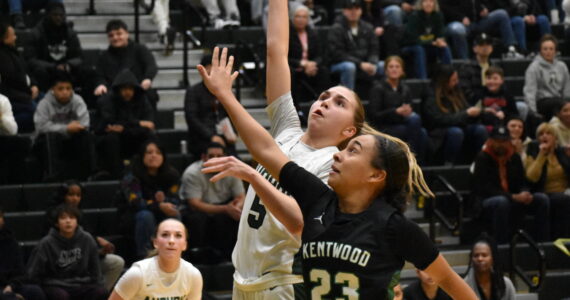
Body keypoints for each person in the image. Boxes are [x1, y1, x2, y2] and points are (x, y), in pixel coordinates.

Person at [197, 45, 478, 300]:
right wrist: (224, 95)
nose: (338, 155)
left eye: (352, 150)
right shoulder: (319, 198)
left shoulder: (393, 227)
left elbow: (448, 279)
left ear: (375, 174)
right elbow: (266, 150)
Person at [202, 0, 370, 296]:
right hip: (243, 279)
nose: (325, 102)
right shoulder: (287, 130)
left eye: (339, 103)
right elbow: (276, 51)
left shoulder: (335, 164)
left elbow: (298, 221)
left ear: (349, 130)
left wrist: (254, 177)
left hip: (284, 284)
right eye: (324, 96)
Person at [472, 125, 550, 243]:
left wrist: (525, 192)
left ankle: (541, 242)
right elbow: (485, 188)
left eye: (504, 141)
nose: (501, 144)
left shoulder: (514, 156)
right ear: (491, 141)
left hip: (513, 197)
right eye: (497, 141)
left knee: (541, 199)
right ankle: (501, 244)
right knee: (501, 202)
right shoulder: (482, 158)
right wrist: (512, 196)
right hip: (487, 200)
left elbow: (522, 180)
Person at [45, 181, 125, 292]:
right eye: (71, 195)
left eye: (78, 195)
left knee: (116, 262)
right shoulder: (53, 217)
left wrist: (100, 249)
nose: (75, 199)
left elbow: (88, 241)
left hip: (84, 262)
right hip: (64, 263)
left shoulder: (80, 215)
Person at [27, 204, 108, 300]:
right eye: (63, 218)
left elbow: (95, 269)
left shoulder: (87, 239)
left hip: (81, 284)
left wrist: (99, 284)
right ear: (57, 223)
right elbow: (34, 273)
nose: (68, 221)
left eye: (72, 217)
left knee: (101, 292)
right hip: (55, 285)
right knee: (61, 296)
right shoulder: (46, 243)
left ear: (77, 221)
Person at [109, 219, 202, 300]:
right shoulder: (137, 274)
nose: (171, 241)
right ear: (155, 242)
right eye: (165, 235)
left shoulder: (193, 275)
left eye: (178, 235)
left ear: (185, 245)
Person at [179, 142, 245, 259]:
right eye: (211, 156)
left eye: (219, 156)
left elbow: (241, 197)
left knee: (238, 216)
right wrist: (226, 209)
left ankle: (231, 257)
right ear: (204, 157)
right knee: (197, 219)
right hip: (199, 209)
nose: (215, 160)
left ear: (225, 157)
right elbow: (194, 203)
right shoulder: (192, 173)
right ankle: (195, 256)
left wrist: (236, 207)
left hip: (224, 206)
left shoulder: (233, 170)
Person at [118, 140, 181, 259]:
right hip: (134, 216)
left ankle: (174, 254)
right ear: (142, 156)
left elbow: (176, 200)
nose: (154, 155)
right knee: (146, 215)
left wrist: (167, 203)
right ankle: (146, 256)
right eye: (149, 152)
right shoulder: (132, 176)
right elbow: (135, 202)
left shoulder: (172, 175)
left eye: (158, 153)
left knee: (175, 214)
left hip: (159, 213)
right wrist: (159, 205)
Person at [33, 72, 94, 181]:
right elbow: (41, 127)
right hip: (48, 143)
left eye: (68, 88)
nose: (65, 92)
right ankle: (52, 175)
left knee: (86, 135)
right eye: (60, 89)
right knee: (50, 136)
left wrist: (68, 129)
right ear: (53, 90)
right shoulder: (44, 103)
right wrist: (66, 128)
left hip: (71, 140)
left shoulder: (78, 101)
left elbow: (84, 124)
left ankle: (90, 174)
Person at [95, 69, 156, 179]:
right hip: (115, 140)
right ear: (118, 90)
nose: (127, 92)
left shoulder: (142, 99)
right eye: (124, 88)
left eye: (130, 88)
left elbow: (150, 124)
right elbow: (109, 124)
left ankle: (149, 173)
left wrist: (125, 128)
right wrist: (138, 123)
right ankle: (115, 175)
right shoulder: (108, 101)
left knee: (150, 137)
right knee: (111, 138)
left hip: (133, 136)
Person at [423, 65, 487, 165]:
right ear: (444, 81)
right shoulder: (431, 95)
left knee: (480, 130)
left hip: (459, 126)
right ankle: (448, 164)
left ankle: (481, 162)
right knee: (456, 132)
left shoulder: (456, 90)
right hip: (438, 133)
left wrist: (477, 112)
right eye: (453, 80)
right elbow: (439, 120)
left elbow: (464, 110)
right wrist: (466, 114)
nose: (456, 82)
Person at [368, 56, 428, 162]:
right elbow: (374, 115)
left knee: (421, 130)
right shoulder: (377, 88)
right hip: (384, 125)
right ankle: (413, 159)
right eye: (391, 67)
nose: (394, 69)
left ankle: (416, 161)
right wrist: (395, 112)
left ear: (402, 71)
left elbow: (410, 106)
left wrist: (408, 111)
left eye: (397, 67)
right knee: (417, 127)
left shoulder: (405, 88)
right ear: (386, 70)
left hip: (401, 122)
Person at [94, 20, 159, 109]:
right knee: (102, 100)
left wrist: (148, 78)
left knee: (150, 96)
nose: (115, 38)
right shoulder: (103, 56)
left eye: (119, 34)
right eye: (111, 35)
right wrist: (101, 84)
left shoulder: (140, 49)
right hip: (114, 92)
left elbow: (151, 66)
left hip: (138, 89)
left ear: (127, 34)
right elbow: (99, 75)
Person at [184, 54, 237, 158]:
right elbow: (192, 118)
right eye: (210, 66)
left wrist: (233, 133)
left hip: (225, 137)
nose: (214, 70)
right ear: (204, 69)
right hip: (202, 138)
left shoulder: (226, 91)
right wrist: (211, 136)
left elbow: (233, 114)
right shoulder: (193, 91)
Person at [524, 123, 570, 239]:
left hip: (564, 192)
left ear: (555, 138)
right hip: (542, 192)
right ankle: (551, 242)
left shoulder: (562, 153)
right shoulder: (532, 151)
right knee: (561, 199)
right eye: (541, 134)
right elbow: (531, 177)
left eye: (548, 133)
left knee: (563, 198)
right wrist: (541, 155)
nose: (544, 136)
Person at [26, 3, 83, 92]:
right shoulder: (36, 33)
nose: (58, 18)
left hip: (66, 69)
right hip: (47, 70)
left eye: (61, 15)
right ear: (48, 15)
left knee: (87, 71)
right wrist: (53, 66)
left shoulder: (70, 33)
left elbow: (79, 57)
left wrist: (68, 64)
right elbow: (30, 60)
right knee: (39, 72)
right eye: (55, 15)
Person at [328, 0, 384, 91]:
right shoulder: (336, 28)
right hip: (339, 64)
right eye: (350, 9)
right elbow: (337, 54)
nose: (353, 12)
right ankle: (348, 99)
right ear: (344, 11)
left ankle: (381, 97)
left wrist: (372, 62)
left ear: (361, 11)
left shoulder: (368, 27)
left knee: (383, 65)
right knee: (349, 67)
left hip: (365, 63)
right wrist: (360, 64)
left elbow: (374, 49)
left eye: (356, 9)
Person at [439, 0, 522, 60]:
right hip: (457, 24)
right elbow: (444, 7)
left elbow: (486, 4)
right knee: (458, 29)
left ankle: (511, 50)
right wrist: (460, 18)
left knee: (501, 14)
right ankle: (464, 61)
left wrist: (484, 10)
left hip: (477, 22)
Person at [0, 208, 47, 300]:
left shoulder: (10, 241)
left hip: (9, 285)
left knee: (35, 292)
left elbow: (20, 271)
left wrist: (11, 286)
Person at [0, 22, 38, 133]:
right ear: (4, 38)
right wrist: (28, 93)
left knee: (46, 103)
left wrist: (34, 85)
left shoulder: (14, 52)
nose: (15, 37)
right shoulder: (3, 57)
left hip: (25, 92)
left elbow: (28, 72)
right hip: (14, 97)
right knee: (35, 113)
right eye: (13, 35)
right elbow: (11, 83)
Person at [288, 4, 330, 105]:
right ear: (292, 18)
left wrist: (313, 64)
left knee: (324, 71)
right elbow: (284, 57)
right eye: (298, 16)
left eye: (304, 17)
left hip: (310, 67)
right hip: (294, 67)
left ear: (308, 19)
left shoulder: (313, 33)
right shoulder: (287, 34)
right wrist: (301, 64)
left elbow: (320, 55)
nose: (301, 19)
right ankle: (294, 106)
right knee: (290, 73)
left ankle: (323, 103)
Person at [400, 0, 452, 79]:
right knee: (419, 49)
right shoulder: (414, 16)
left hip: (429, 45)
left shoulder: (438, 15)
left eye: (431, 2)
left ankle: (448, 77)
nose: (428, 4)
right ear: (421, 4)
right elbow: (412, 39)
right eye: (426, 2)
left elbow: (441, 33)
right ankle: (423, 80)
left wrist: (440, 40)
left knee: (444, 47)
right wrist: (431, 42)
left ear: (435, 4)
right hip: (410, 46)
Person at [523, 34, 570, 122]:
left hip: (560, 101)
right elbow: (530, 91)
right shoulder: (533, 68)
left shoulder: (562, 66)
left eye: (551, 49)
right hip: (542, 102)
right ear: (540, 51)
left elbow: (567, 88)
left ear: (556, 51)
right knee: (558, 104)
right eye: (545, 49)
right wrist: (533, 112)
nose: (548, 52)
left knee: (562, 106)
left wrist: (567, 104)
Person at [485, 0, 551, 54]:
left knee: (543, 19)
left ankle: (549, 47)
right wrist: (523, 18)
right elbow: (502, 13)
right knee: (518, 21)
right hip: (510, 18)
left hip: (528, 17)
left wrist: (533, 15)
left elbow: (535, 6)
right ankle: (522, 51)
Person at [464, 235, 516, 300]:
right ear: (471, 259)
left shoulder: (506, 284)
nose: (480, 259)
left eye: (484, 255)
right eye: (476, 255)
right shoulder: (464, 286)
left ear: (492, 258)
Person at [471, 67, 519, 132]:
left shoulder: (507, 95)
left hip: (503, 123)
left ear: (501, 80)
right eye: (489, 78)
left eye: (495, 78)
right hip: (485, 125)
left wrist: (504, 114)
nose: (491, 81)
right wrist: (485, 111)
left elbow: (514, 113)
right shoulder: (479, 94)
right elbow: (473, 112)